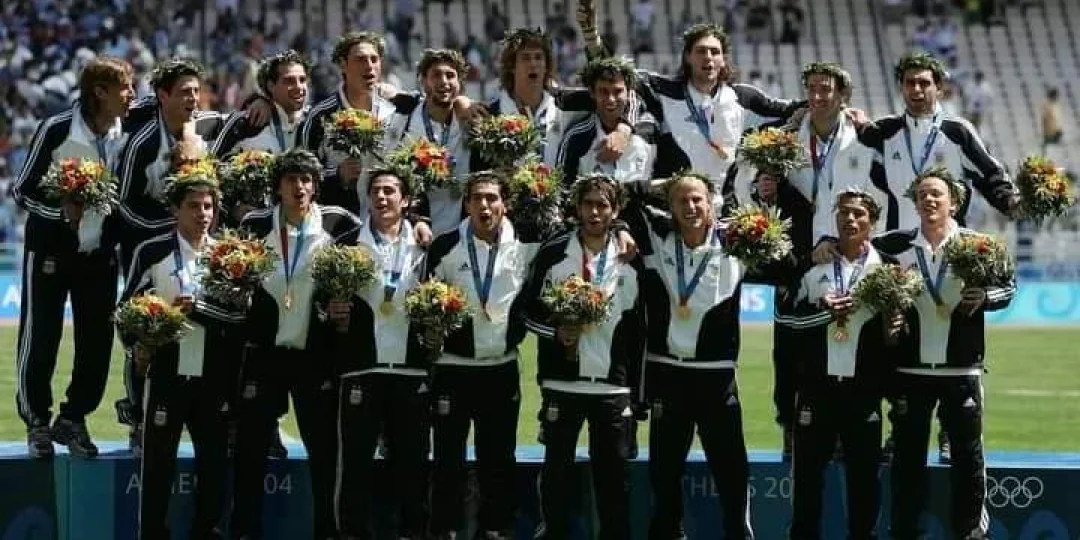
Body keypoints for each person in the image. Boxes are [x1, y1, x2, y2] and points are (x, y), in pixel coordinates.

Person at [622, 173, 797, 540]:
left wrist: (765, 231)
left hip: (716, 376)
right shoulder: (656, 237)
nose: (690, 207)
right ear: (670, 206)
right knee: (664, 472)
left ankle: (738, 534)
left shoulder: (736, 243)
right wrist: (663, 185)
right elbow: (623, 195)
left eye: (697, 199)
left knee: (731, 470)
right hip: (667, 374)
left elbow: (788, 269)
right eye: (682, 200)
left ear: (711, 203)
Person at [873, 168, 1015, 540]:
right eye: (922, 194)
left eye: (937, 193)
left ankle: (970, 532)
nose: (929, 199)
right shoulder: (891, 246)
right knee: (907, 461)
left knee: (968, 458)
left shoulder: (978, 244)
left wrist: (986, 297)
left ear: (954, 202)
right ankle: (904, 531)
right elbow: (866, 278)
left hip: (961, 371)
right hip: (910, 371)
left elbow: (1008, 287)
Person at [230, 149, 361, 540]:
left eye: (306, 180)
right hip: (264, 355)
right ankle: (245, 530)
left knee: (324, 452)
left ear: (316, 186)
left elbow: (372, 245)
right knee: (250, 451)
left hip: (314, 357)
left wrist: (418, 224)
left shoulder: (339, 223)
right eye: (291, 180)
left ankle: (327, 530)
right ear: (278, 187)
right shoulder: (255, 225)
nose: (299, 188)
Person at [11, 56, 136, 459]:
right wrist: (60, 211)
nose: (132, 94)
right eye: (125, 87)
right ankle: (36, 423)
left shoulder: (128, 129)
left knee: (97, 346)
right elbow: (22, 189)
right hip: (49, 251)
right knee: (41, 339)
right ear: (100, 92)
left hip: (99, 255)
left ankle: (73, 419)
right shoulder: (57, 128)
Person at [114, 57, 230, 456]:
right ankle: (138, 417)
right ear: (162, 96)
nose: (193, 99)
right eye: (184, 92)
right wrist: (164, 230)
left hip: (196, 243)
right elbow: (122, 203)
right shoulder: (143, 143)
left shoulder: (206, 130)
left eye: (196, 91)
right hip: (150, 251)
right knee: (144, 331)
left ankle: (213, 414)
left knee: (205, 328)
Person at [120, 168, 243, 540]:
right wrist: (139, 345)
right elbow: (126, 311)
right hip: (167, 375)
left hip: (214, 378)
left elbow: (241, 318)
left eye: (208, 206)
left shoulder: (229, 255)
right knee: (157, 466)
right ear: (176, 209)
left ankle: (206, 533)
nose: (203, 214)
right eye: (193, 206)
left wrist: (199, 310)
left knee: (214, 466)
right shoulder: (151, 251)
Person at [523, 174, 646, 540]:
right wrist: (556, 332)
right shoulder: (555, 251)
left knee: (614, 481)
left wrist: (638, 394)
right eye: (588, 204)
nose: (595, 212)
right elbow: (526, 311)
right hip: (562, 384)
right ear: (576, 208)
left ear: (615, 211)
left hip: (613, 387)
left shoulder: (630, 256)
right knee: (556, 475)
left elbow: (641, 329)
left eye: (603, 205)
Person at [775, 189, 899, 540]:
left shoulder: (888, 268)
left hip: (864, 392)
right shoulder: (813, 265)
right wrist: (821, 311)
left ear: (873, 222)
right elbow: (786, 320)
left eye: (859, 213)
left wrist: (894, 328)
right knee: (807, 486)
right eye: (844, 212)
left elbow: (899, 335)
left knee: (864, 485)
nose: (850, 219)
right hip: (817, 391)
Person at [424, 171, 539, 540]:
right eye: (477, 198)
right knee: (448, 458)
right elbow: (425, 301)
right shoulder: (445, 246)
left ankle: (496, 529)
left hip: (500, 369)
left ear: (505, 204)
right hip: (453, 370)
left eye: (492, 198)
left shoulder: (526, 245)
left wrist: (621, 228)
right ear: (466, 204)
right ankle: (444, 530)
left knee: (499, 458)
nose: (484, 206)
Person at [332, 169, 430, 539]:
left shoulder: (425, 245)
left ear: (406, 200)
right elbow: (325, 302)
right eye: (375, 191)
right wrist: (334, 313)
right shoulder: (346, 244)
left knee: (412, 463)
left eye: (390, 191)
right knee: (355, 462)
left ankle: (411, 533)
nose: (382, 197)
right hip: (361, 368)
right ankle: (352, 534)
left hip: (411, 369)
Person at [855, 52, 1018, 232]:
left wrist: (1010, 201)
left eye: (924, 83)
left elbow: (990, 176)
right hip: (899, 244)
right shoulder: (885, 130)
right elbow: (859, 152)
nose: (916, 89)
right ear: (901, 87)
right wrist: (858, 126)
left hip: (949, 245)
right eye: (910, 83)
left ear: (939, 87)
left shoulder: (958, 132)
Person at [298, 32, 399, 215]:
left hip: (389, 221)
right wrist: (337, 175)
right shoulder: (321, 116)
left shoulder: (397, 110)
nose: (369, 66)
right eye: (360, 59)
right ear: (342, 64)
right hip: (340, 223)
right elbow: (301, 175)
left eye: (374, 59)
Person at [383, 49, 472, 236]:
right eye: (436, 75)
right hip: (415, 230)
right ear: (423, 81)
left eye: (450, 75)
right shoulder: (403, 120)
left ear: (459, 83)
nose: (444, 82)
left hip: (461, 232)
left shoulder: (470, 121)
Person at [548, 57, 655, 188]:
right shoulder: (575, 139)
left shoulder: (649, 130)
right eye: (603, 91)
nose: (611, 99)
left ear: (629, 92)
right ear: (592, 93)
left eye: (618, 91)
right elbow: (561, 190)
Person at [213, 49, 311, 159]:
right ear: (271, 86)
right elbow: (213, 163)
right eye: (289, 81)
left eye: (302, 80)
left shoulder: (315, 121)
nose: (298, 87)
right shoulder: (246, 123)